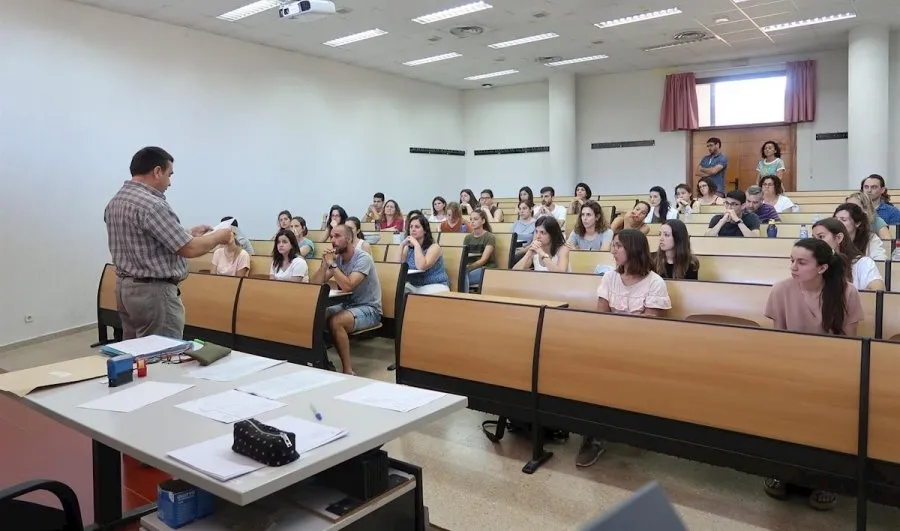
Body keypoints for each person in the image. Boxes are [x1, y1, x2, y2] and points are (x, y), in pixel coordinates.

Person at [763, 238, 864, 511]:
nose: (793, 267)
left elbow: (848, 346)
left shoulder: (846, 292)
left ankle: (825, 479)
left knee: (831, 409)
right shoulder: (781, 290)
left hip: (832, 371)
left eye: (801, 262)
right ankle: (782, 470)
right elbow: (778, 342)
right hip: (791, 367)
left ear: (821, 268)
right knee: (781, 402)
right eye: (791, 260)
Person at [104, 146, 233, 339]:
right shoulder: (152, 204)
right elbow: (189, 249)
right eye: (169, 174)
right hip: (153, 294)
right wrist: (219, 237)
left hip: (126, 289)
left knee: (135, 353)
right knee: (162, 356)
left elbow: (146, 238)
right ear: (157, 171)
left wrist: (190, 232)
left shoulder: (117, 201)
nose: (170, 182)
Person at [581, 229, 671, 467]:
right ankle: (593, 434)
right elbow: (602, 317)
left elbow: (651, 327)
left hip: (642, 351)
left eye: (618, 246)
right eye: (613, 245)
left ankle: (626, 429)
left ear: (633, 249)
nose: (613, 250)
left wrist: (624, 323)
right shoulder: (610, 277)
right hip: (609, 345)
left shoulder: (655, 283)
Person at [311, 224, 383, 375]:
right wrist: (325, 265)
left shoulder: (363, 259)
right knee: (316, 315)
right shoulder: (337, 260)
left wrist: (332, 264)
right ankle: (323, 362)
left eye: (337, 236)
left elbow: (348, 286)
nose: (333, 240)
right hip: (347, 305)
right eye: (331, 236)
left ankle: (347, 370)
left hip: (369, 309)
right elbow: (315, 284)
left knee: (336, 321)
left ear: (349, 239)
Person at [812, 219, 884, 290]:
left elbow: (877, 292)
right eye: (814, 238)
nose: (815, 242)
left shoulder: (863, 263)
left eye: (821, 237)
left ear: (839, 238)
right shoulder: (813, 264)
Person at [403, 215, 451, 294]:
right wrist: (402, 245)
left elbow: (421, 266)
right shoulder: (408, 248)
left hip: (435, 285)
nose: (413, 229)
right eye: (411, 227)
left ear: (425, 230)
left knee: (416, 296)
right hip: (415, 285)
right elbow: (397, 265)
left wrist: (416, 244)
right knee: (397, 291)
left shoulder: (434, 247)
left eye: (417, 227)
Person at [463, 210, 496, 291]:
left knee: (462, 276)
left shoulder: (489, 237)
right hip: (471, 267)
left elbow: (483, 260)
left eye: (476, 219)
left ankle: (465, 299)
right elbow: (464, 256)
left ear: (483, 221)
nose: (472, 221)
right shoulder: (468, 238)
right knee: (459, 274)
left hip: (486, 268)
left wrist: (467, 268)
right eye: (471, 219)